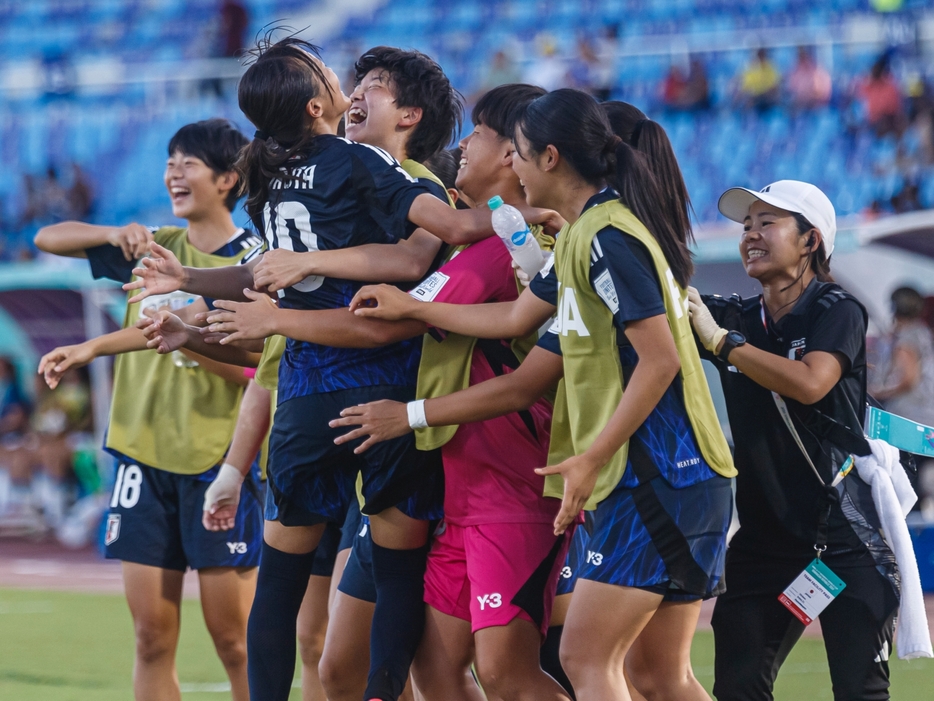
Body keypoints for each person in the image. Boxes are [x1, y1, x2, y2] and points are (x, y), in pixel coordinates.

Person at [125, 38, 558, 701]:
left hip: (323, 397)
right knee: (389, 600)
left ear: (410, 115)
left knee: (294, 596)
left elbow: (317, 282)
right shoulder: (365, 168)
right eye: (345, 81)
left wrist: (201, 280)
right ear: (316, 103)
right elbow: (416, 268)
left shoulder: (273, 171)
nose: (354, 91)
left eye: (372, 84)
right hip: (387, 394)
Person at [346, 88, 736, 701]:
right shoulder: (586, 237)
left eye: (520, 153)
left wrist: (590, 456)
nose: (514, 168)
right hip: (651, 475)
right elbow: (511, 320)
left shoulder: (609, 237)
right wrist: (410, 307)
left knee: (585, 657)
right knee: (656, 676)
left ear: (549, 158)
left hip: (660, 472)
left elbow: (659, 361)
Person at [33, 119, 263, 701]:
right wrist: (118, 232)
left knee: (236, 642)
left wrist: (191, 336)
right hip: (141, 457)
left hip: (218, 459)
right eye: (168, 162)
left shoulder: (255, 264)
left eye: (188, 163)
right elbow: (48, 240)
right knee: (150, 640)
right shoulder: (153, 247)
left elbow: (262, 367)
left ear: (229, 178)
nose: (172, 173)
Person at [687, 180, 901, 701]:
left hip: (847, 539)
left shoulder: (837, 309)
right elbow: (648, 297)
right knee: (739, 688)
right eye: (746, 225)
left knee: (861, 692)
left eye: (768, 223)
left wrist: (721, 343)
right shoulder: (735, 315)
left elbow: (810, 382)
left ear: (810, 241)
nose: (751, 235)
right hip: (764, 543)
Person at [870, 286, 934, 427]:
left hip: (905, 416)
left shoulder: (907, 336)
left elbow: (908, 380)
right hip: (924, 417)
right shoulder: (922, 332)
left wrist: (875, 394)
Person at [859, 56, 904, 138]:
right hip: (871, 123)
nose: (874, 71)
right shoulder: (868, 85)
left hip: (888, 121)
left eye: (876, 69)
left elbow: (893, 108)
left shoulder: (890, 87)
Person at [787, 46, 832, 111]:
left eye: (805, 55)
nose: (803, 59)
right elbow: (791, 91)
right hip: (800, 106)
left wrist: (808, 95)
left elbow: (820, 93)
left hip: (817, 106)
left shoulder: (819, 72)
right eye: (801, 55)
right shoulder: (794, 72)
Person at [739, 48, 781, 112]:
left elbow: (775, 85)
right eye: (759, 56)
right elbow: (747, 86)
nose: (761, 59)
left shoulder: (771, 68)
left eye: (763, 56)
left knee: (773, 96)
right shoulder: (751, 68)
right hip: (756, 97)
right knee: (748, 101)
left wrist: (764, 90)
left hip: (768, 98)